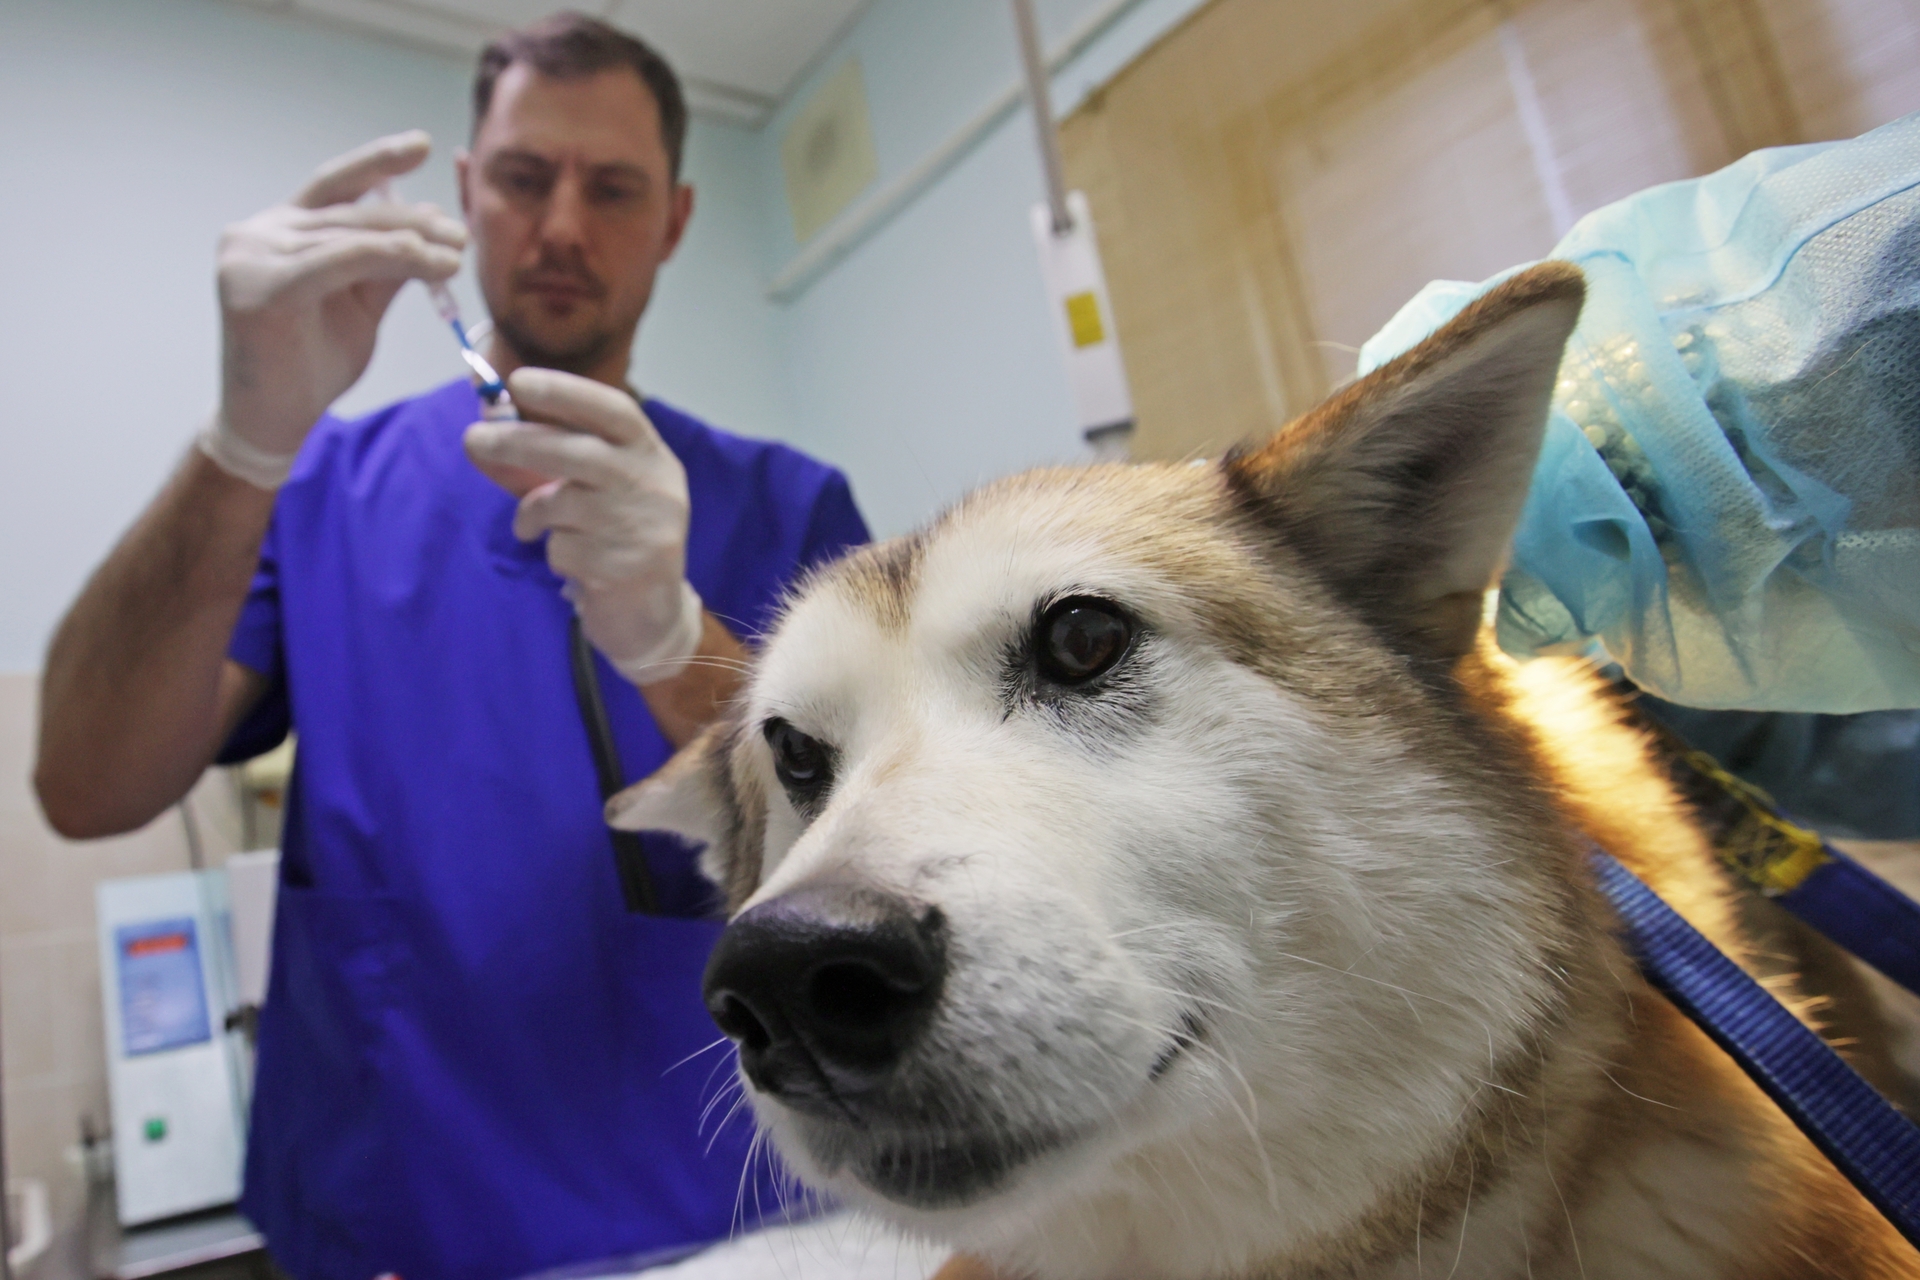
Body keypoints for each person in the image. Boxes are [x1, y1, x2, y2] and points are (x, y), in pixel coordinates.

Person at [34, 14, 867, 1280]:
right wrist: (243, 439)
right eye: (526, 178)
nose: (565, 226)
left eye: (614, 187)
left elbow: (869, 842)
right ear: (470, 192)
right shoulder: (314, 491)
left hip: (731, 1222)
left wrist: (671, 632)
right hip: (394, 1228)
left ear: (679, 220)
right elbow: (87, 785)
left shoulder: (790, 508)